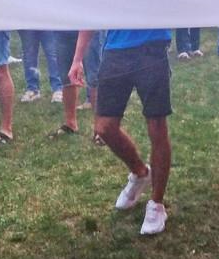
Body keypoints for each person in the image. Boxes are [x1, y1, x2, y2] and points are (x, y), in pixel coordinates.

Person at [69, 28, 172, 235]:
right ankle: (140, 172)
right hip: (115, 50)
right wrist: (77, 58)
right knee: (104, 128)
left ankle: (157, 204)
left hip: (152, 48)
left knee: (156, 126)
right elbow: (93, 9)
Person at [18, 29, 64, 103]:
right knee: (29, 54)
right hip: (27, 22)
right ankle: (32, 89)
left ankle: (58, 89)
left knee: (52, 54)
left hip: (48, 21)